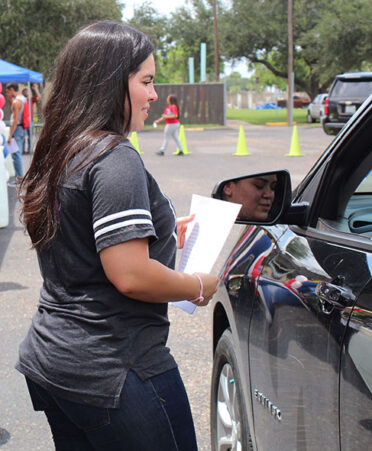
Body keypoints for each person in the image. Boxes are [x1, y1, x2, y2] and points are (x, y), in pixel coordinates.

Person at [16, 21, 218, 451]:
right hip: (116, 368)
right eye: (145, 81)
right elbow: (131, 275)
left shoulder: (63, 148)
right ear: (110, 81)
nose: (154, 95)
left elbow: (81, 233)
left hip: (54, 361)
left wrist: (162, 229)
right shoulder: (114, 156)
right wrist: (199, 284)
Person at [5, 82, 24, 177]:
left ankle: (19, 177)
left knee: (16, 154)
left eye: (8, 92)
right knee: (17, 153)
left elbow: (15, 120)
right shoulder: (22, 99)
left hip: (17, 129)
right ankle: (19, 177)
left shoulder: (16, 102)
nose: (7, 94)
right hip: (21, 128)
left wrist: (10, 135)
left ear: (12, 89)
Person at [22, 83, 41, 153]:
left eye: (27, 91)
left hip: (30, 120)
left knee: (30, 135)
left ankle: (30, 149)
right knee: (23, 136)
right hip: (23, 121)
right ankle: (23, 149)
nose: (26, 93)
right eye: (24, 92)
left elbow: (39, 97)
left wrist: (36, 89)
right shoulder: (21, 101)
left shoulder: (31, 100)